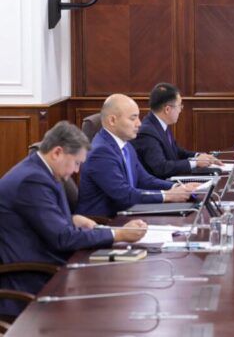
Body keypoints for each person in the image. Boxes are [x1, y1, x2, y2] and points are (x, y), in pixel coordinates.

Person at [0, 122, 147, 317]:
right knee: (111, 300)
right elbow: (63, 238)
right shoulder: (32, 180)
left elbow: (38, 219)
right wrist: (118, 234)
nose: (77, 171)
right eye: (76, 163)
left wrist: (72, 219)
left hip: (51, 264)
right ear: (57, 152)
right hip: (34, 276)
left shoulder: (41, 171)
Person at [77, 94, 200, 217]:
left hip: (129, 213)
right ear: (112, 120)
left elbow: (145, 180)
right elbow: (124, 195)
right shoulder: (101, 152)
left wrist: (178, 187)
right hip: (106, 221)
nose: (139, 123)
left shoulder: (126, 145)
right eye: (133, 118)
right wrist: (168, 195)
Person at [131, 82, 222, 179]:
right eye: (179, 106)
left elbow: (177, 152)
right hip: (161, 184)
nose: (180, 110)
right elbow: (161, 167)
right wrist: (195, 163)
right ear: (167, 109)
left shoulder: (159, 123)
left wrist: (199, 156)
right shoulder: (147, 133)